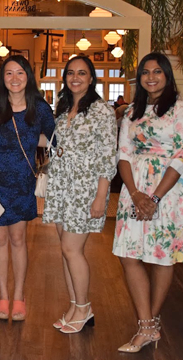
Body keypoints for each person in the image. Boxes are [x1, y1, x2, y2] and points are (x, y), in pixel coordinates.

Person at [113, 52, 183, 352]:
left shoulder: (182, 108)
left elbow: (182, 155)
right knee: (129, 256)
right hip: (134, 189)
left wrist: (155, 197)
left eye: (158, 72)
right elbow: (123, 154)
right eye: (146, 72)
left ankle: (148, 326)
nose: (151, 77)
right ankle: (147, 324)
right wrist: (135, 193)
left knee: (162, 257)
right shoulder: (133, 112)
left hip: (169, 191)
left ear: (167, 76)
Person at [42, 55, 117, 334]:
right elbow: (55, 144)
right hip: (62, 184)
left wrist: (101, 196)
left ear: (91, 78)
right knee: (66, 250)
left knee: (72, 249)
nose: (75, 77)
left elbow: (108, 157)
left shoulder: (101, 111)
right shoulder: (63, 109)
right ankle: (75, 305)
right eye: (71, 73)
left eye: (82, 73)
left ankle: (84, 308)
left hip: (85, 188)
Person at [0, 55, 55, 322]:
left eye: (20, 73)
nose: (14, 78)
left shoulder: (39, 107)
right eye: (9, 73)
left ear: (28, 76)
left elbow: (55, 139)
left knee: (18, 240)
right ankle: (3, 296)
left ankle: (19, 296)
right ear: (2, 78)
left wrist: (32, 140)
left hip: (23, 183)